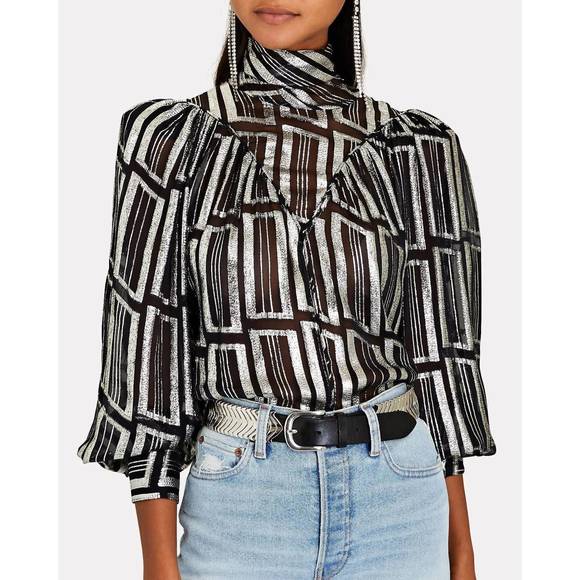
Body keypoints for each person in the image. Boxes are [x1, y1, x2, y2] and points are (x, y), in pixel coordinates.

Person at [76, 1, 497, 578]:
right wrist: (158, 564)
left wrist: (463, 554)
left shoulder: (420, 148)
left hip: (400, 503)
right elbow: (147, 355)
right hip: (243, 503)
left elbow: (443, 360)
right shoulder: (170, 141)